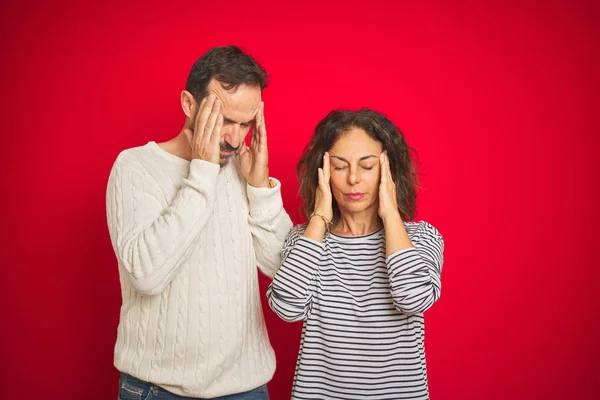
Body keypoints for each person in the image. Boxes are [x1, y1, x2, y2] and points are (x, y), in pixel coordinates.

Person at [106, 45, 292, 399]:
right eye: (225, 120)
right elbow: (146, 275)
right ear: (189, 104)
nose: (235, 139)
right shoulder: (135, 168)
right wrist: (202, 173)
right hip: (157, 390)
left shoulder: (243, 169)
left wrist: (260, 190)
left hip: (246, 388)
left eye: (246, 124)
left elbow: (285, 270)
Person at [267, 109, 444, 399]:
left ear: (388, 171)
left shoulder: (421, 237)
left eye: (367, 166)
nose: (353, 179)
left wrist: (389, 213)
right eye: (339, 166)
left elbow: (412, 298)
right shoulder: (305, 239)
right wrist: (320, 217)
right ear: (324, 173)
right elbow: (287, 308)